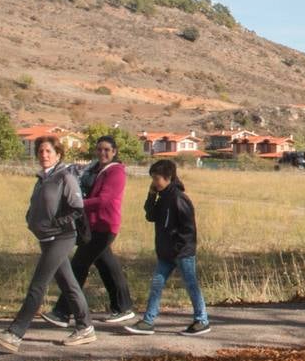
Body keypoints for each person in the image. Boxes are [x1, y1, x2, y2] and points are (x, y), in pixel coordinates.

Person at [0, 136, 95, 352]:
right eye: (41, 152)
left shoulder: (65, 177)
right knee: (69, 284)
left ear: (58, 154)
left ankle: (15, 334)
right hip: (46, 238)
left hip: (61, 237)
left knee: (38, 285)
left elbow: (77, 208)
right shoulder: (43, 178)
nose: (44, 155)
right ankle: (85, 328)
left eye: (48, 151)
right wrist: (31, 218)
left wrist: (56, 223)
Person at [45, 135, 134, 327]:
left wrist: (77, 203)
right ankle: (123, 307)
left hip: (105, 225)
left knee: (78, 265)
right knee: (107, 266)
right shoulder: (96, 169)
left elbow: (105, 200)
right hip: (93, 225)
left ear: (114, 152)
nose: (102, 153)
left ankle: (62, 312)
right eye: (99, 149)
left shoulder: (116, 172)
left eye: (107, 150)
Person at [124, 159, 210, 335]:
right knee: (156, 284)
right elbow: (151, 215)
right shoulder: (162, 196)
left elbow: (189, 229)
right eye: (153, 179)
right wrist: (151, 195)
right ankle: (148, 321)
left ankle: (202, 321)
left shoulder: (179, 198)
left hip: (181, 253)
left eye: (157, 179)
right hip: (165, 253)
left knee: (191, 285)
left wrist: (179, 247)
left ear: (168, 177)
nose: (154, 182)